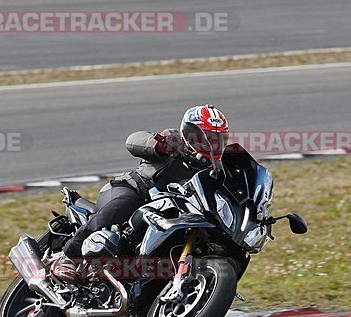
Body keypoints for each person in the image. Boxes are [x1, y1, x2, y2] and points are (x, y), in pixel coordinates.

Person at [49, 105, 230, 282]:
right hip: (134, 191)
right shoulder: (174, 142)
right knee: (124, 204)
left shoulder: (215, 171)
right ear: (191, 133)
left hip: (173, 214)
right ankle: (67, 256)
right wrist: (159, 145)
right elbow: (134, 140)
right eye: (208, 139)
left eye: (217, 140)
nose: (212, 145)